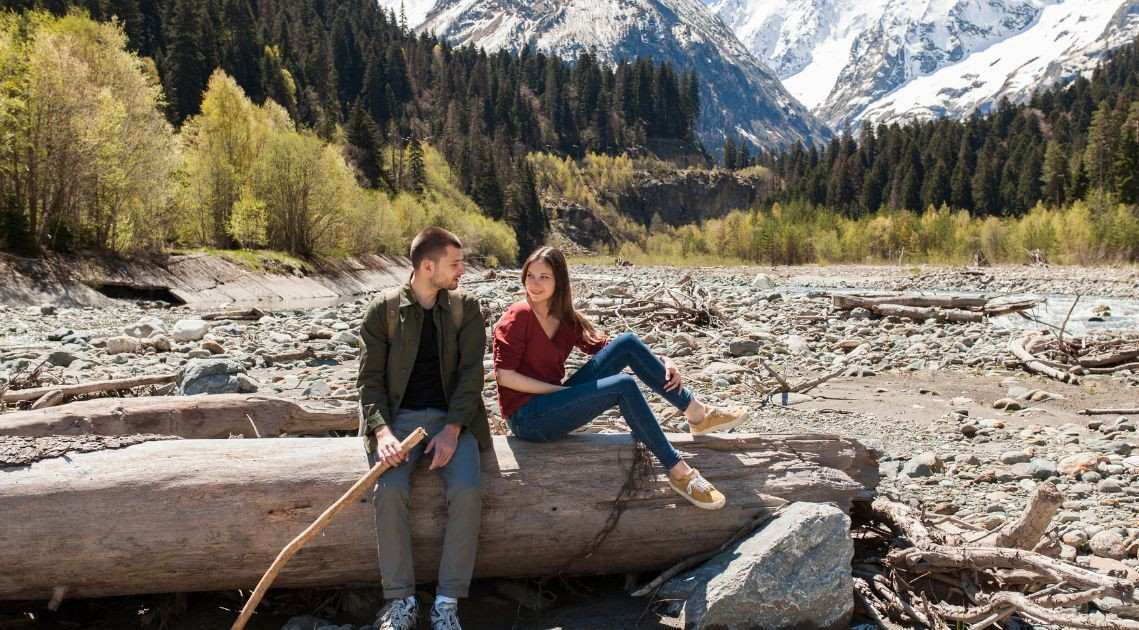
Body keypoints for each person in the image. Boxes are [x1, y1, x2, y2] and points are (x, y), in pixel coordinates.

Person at [492, 246, 747, 510]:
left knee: (627, 342)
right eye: (530, 276)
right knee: (623, 385)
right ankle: (679, 471)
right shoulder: (519, 315)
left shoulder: (564, 318)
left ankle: (696, 413)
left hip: (554, 401)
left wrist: (663, 361)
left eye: (544, 277)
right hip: (527, 419)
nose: (534, 284)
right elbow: (504, 376)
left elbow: (607, 347)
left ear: (559, 280)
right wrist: (557, 391)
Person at [357, 227, 489, 630]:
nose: (462, 270)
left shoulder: (466, 309)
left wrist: (453, 429)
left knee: (467, 491)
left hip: (454, 419)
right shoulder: (382, 311)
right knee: (389, 490)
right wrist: (382, 433)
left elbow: (471, 377)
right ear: (427, 267)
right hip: (398, 420)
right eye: (455, 263)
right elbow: (369, 382)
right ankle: (401, 601)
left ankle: (447, 603)